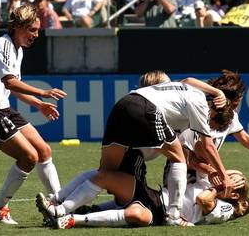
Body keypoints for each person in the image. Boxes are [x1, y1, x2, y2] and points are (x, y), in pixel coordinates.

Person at [37, 70, 235, 226]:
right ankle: (174, 216)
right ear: (212, 111)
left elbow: (189, 79)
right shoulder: (201, 104)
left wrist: (216, 91)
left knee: (104, 172)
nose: (209, 128)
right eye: (213, 124)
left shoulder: (188, 91)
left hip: (122, 105)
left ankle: (56, 205)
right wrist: (223, 174)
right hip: (146, 108)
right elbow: (207, 145)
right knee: (178, 159)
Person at [0, 3, 67, 225]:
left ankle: (60, 204)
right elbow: (10, 81)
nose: (36, 35)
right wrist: (43, 92)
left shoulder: (16, 48)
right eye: (32, 29)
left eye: (37, 30)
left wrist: (39, 104)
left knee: (43, 150)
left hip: (1, 107)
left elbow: (12, 87)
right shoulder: (1, 46)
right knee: (28, 157)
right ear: (17, 27)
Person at [49, 170, 249, 229]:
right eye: (228, 174)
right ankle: (60, 205)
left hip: (160, 214)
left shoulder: (226, 208)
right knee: (105, 176)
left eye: (232, 181)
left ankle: (74, 219)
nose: (226, 178)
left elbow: (204, 200)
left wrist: (216, 187)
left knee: (135, 214)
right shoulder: (210, 178)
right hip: (153, 195)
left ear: (234, 195)